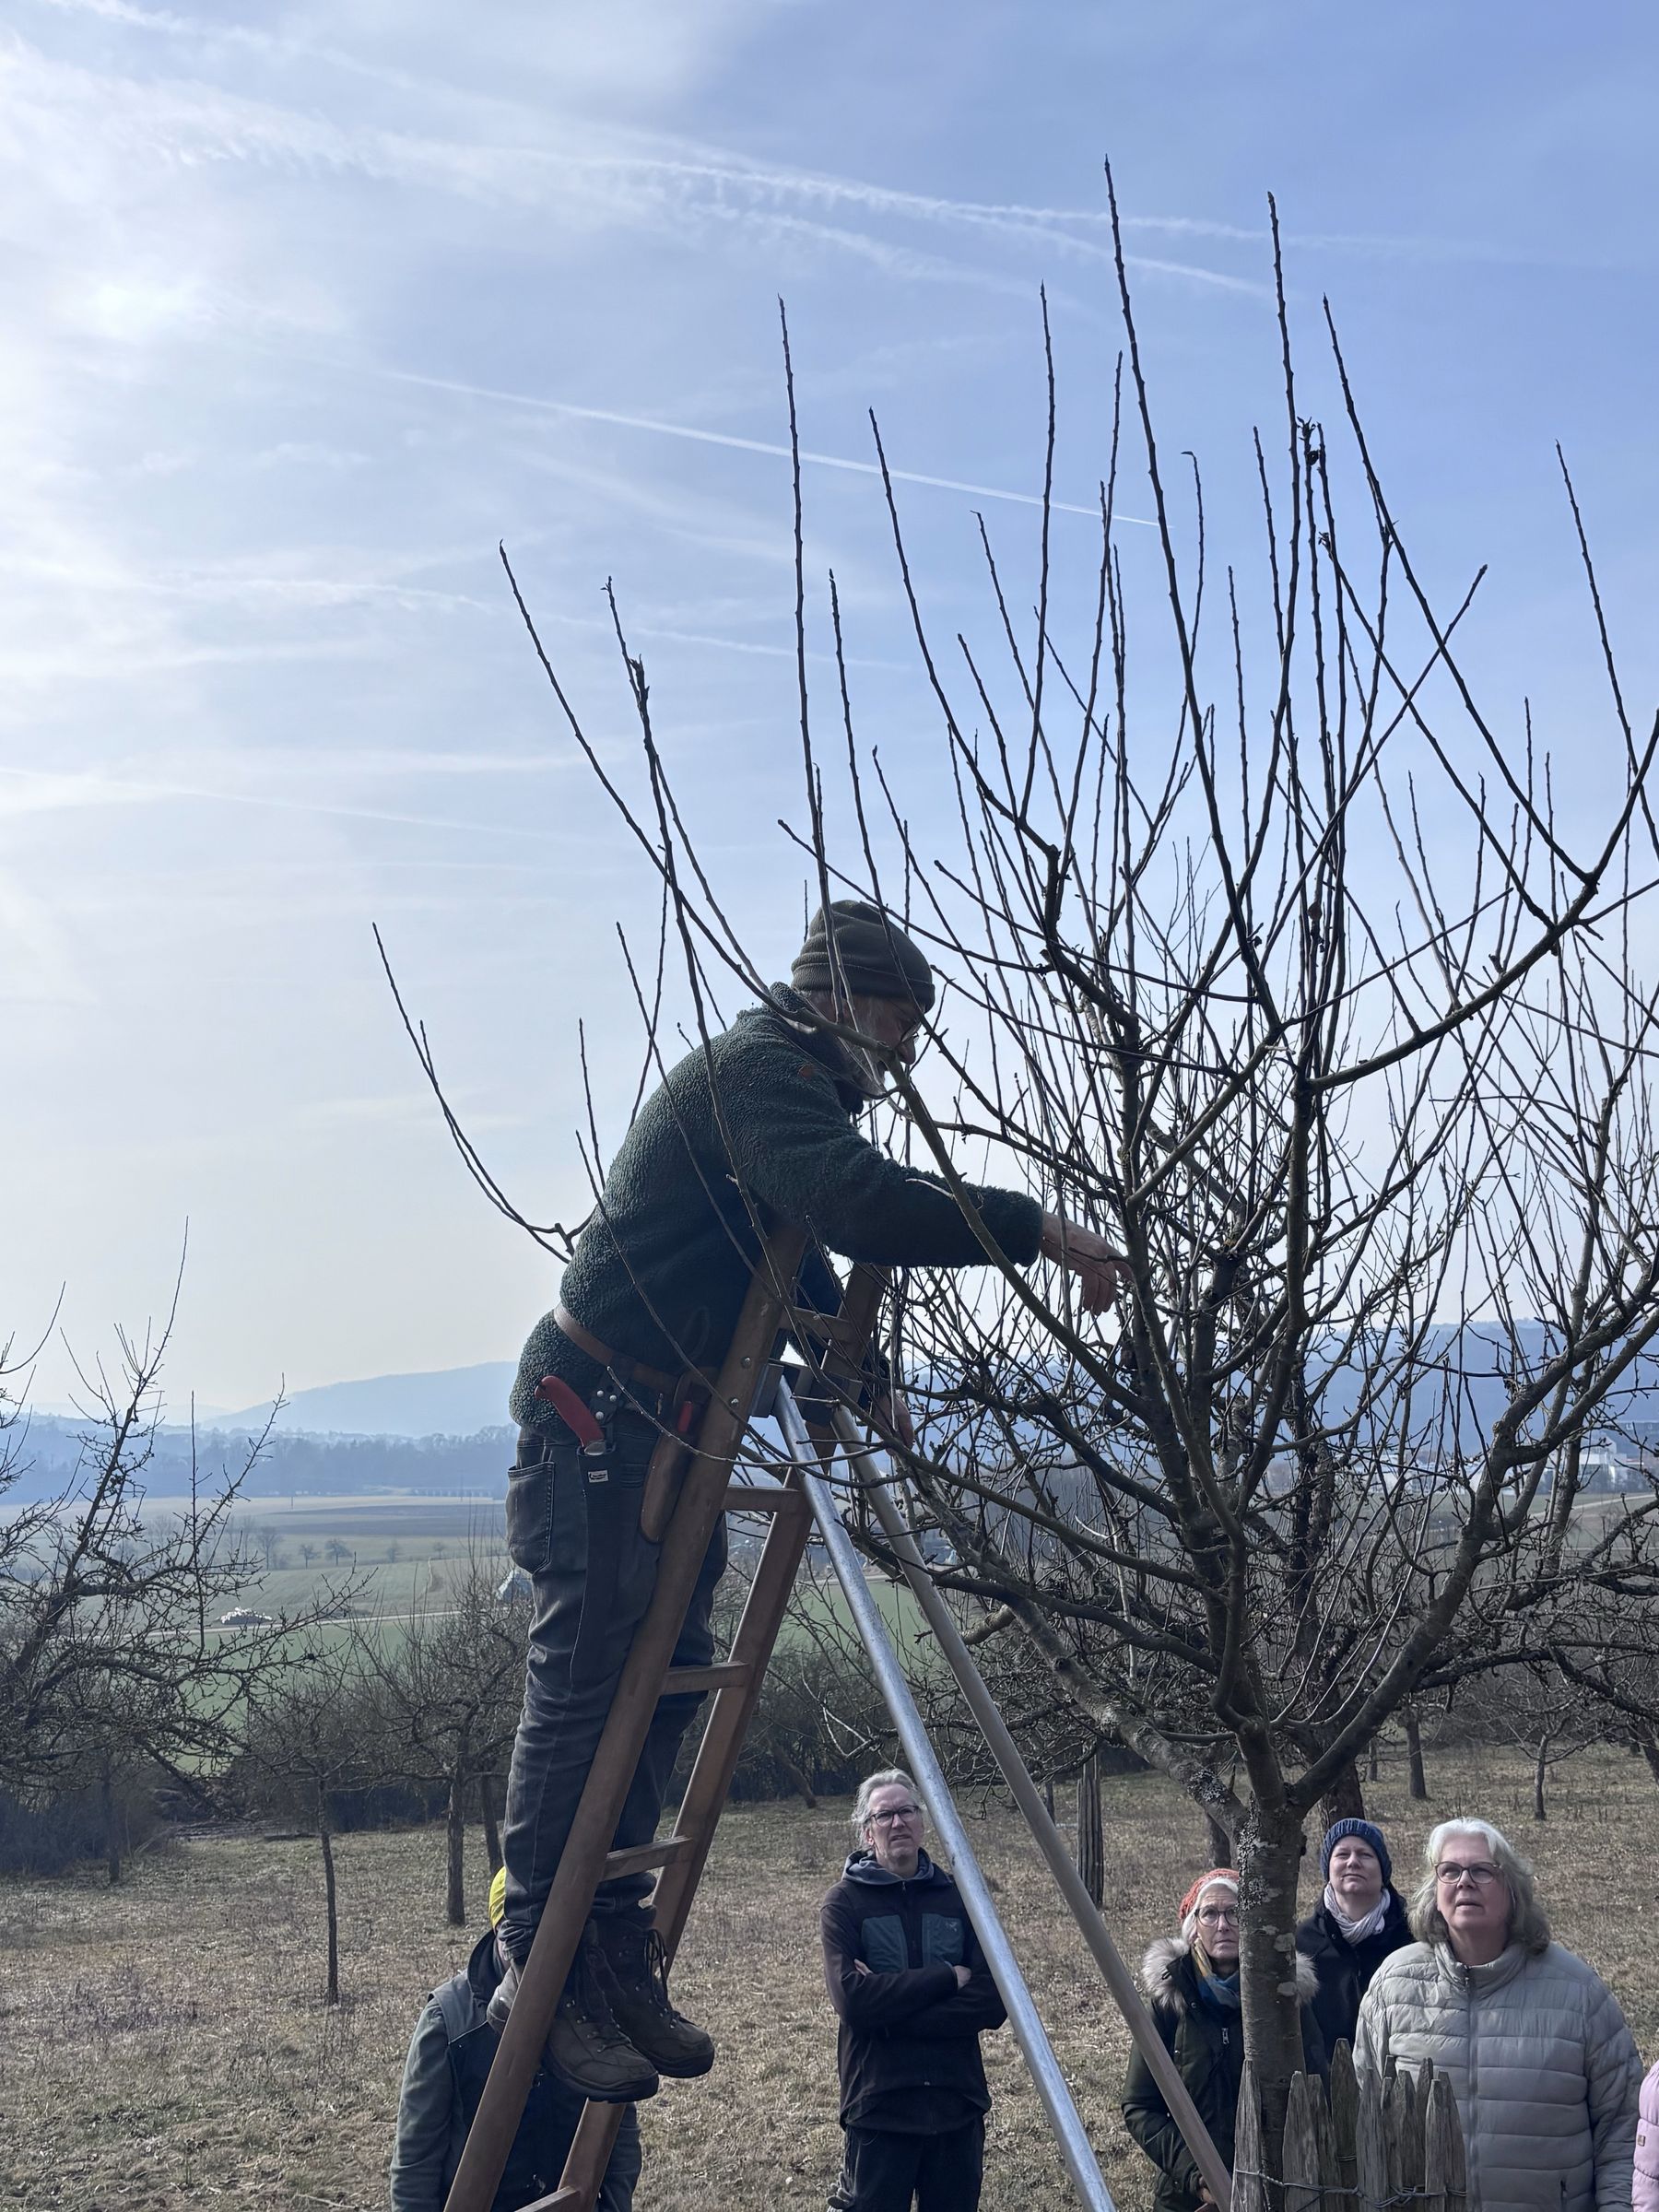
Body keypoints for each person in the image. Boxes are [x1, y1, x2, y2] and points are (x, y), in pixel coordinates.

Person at [493, 899, 1128, 2103]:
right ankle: (540, 1957)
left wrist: (864, 1369)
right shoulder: (760, 1077)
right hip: (594, 1422)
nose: (901, 1059)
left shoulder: (791, 1101)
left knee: (663, 1683)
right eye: (893, 1027)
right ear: (839, 1001)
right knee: (583, 1690)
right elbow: (856, 1202)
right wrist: (1036, 1229)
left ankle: (614, 1937)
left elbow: (796, 1253)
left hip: (657, 1429)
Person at [1356, 1818, 1640, 2212]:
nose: (1464, 1882)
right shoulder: (1393, 1985)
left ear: (1513, 1890)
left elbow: (1622, 2126)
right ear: (1434, 1891)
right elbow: (1362, 2114)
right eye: (1450, 1871)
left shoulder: (1577, 1991)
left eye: (1482, 1871)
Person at [390, 1868, 641, 2212]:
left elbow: (618, 2128)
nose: (541, 1951)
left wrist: (613, 2205)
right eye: (524, 1935)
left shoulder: (592, 2004)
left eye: (551, 1934)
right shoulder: (448, 2022)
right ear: (498, 1931)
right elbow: (415, 2165)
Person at [819, 1768, 1007, 2212]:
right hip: (880, 2104)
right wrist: (946, 1978)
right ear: (867, 1832)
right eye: (884, 1816)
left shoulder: (961, 1897)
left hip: (956, 2101)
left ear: (923, 1822)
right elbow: (853, 2002)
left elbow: (994, 2000)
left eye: (906, 1811)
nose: (898, 1823)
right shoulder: (843, 1902)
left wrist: (891, 2015)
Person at [1124, 1869, 1325, 2212]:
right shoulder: (1170, 2005)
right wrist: (1199, 2176)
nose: (1223, 1924)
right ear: (1194, 1927)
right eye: (1210, 1913)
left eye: (1235, 1912)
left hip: (1278, 2192)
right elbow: (1141, 2106)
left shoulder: (1286, 2000)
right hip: (1187, 2198)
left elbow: (1320, 2090)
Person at [1295, 1817, 1412, 2057]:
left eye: (1365, 1855)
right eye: (1342, 1855)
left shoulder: (1413, 1936)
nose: (1353, 1862)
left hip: (1403, 2085)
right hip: (1322, 2088)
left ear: (1383, 1870)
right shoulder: (1301, 1944)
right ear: (1328, 1868)